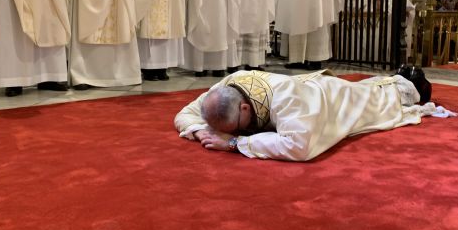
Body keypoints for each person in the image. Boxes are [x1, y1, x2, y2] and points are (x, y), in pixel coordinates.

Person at [174, 67, 438, 162]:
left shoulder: (287, 100)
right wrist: (201, 131)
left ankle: (406, 81)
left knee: (379, 99)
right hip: (309, 89)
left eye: (235, 127)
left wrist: (233, 143)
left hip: (331, 100)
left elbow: (299, 146)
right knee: (365, 88)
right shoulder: (227, 86)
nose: (233, 132)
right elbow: (184, 114)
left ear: (244, 108)